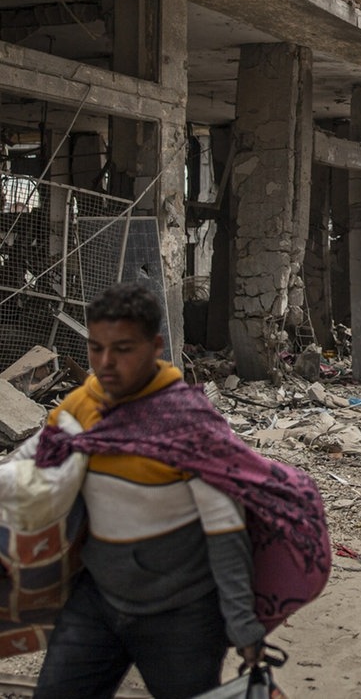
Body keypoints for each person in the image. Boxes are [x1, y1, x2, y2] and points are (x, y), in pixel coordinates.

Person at [27, 283, 330, 699]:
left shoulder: (187, 423)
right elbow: (31, 474)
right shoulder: (81, 407)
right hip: (98, 602)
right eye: (96, 348)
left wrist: (244, 627)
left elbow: (225, 532)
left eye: (123, 348)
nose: (106, 363)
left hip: (181, 615)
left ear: (154, 347)